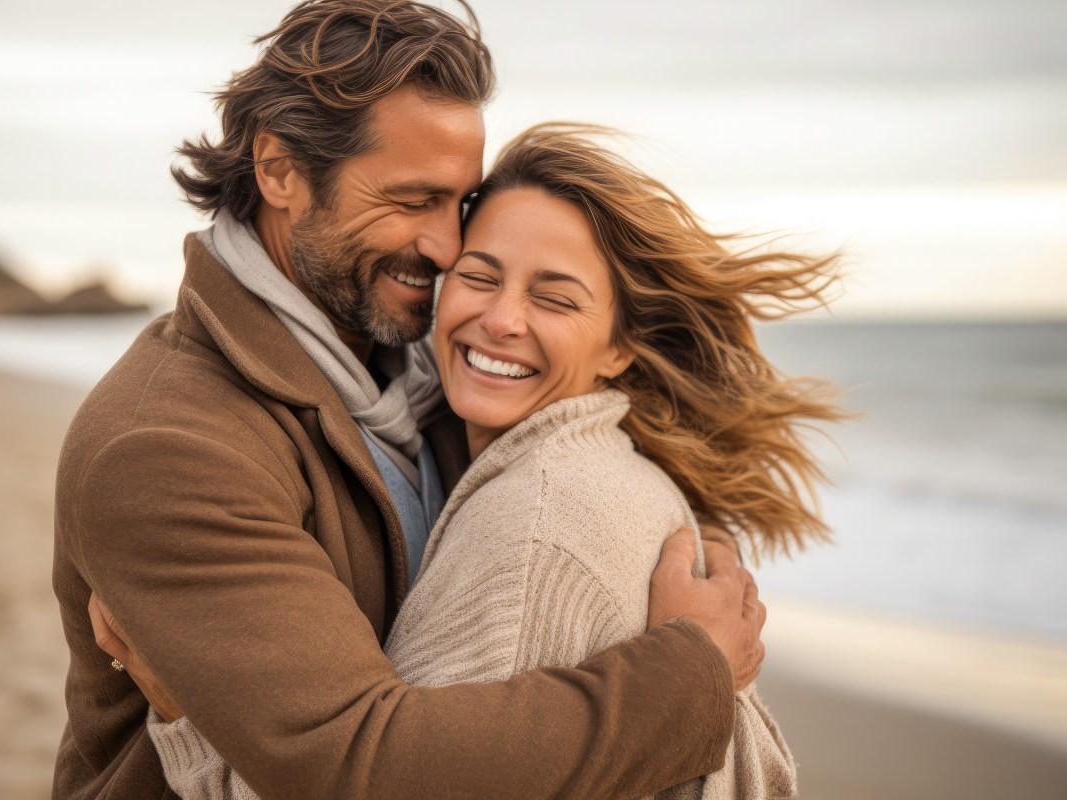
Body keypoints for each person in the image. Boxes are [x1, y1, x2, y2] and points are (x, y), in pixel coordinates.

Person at [53, 2, 766, 798]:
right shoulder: (169, 444)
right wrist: (690, 673)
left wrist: (668, 539)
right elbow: (367, 766)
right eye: (410, 200)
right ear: (280, 171)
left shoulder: (422, 365)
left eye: (458, 204)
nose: (448, 246)